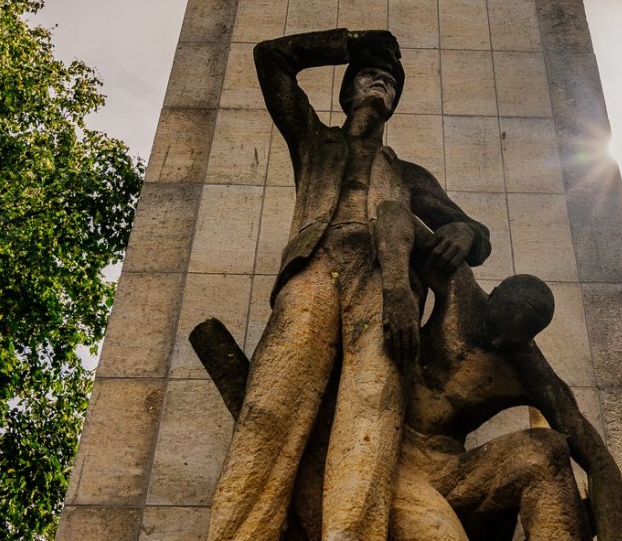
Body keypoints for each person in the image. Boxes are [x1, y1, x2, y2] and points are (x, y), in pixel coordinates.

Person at [205, 28, 492, 541]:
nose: (382, 84)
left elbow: (478, 236)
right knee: (269, 407)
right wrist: (350, 43)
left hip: (384, 283)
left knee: (370, 417)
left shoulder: (409, 173)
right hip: (313, 270)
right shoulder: (314, 140)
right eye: (371, 76)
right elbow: (270, 58)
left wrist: (464, 231)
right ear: (349, 89)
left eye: (390, 83)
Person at [379, 210, 622, 541]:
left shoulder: (530, 372)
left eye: (510, 340)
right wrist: (396, 288)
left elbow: (601, 464)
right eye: (494, 328)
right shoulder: (459, 289)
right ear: (493, 294)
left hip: (442, 468)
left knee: (548, 450)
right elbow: (393, 213)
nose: (496, 343)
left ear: (529, 337)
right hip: (386, 439)